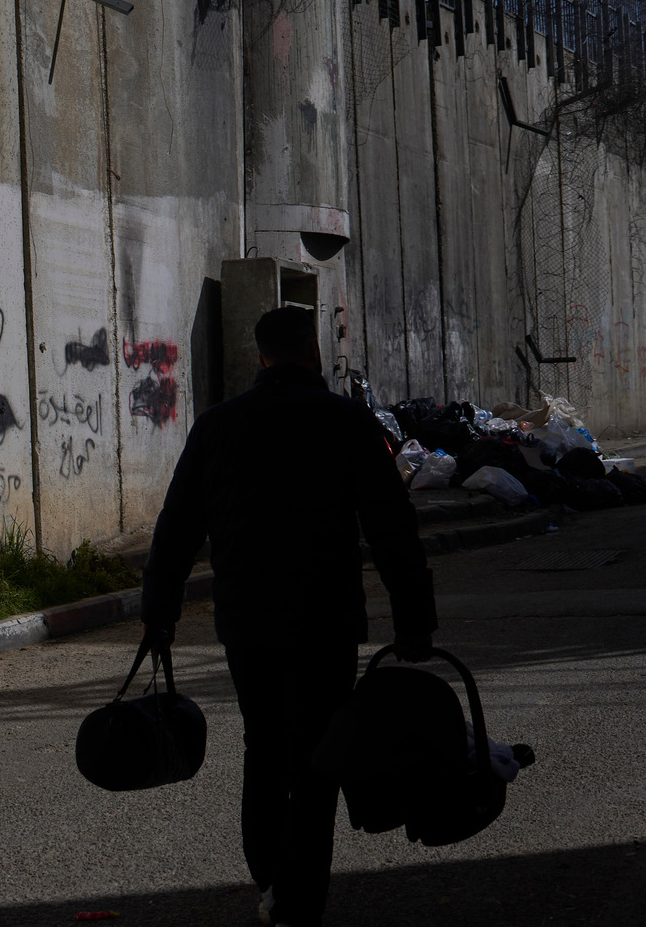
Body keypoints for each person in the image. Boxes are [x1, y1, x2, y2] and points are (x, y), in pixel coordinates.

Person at [141, 306, 436, 927]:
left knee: (264, 747)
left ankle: (272, 881)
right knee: (317, 758)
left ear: (261, 357)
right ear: (313, 352)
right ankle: (301, 898)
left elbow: (176, 530)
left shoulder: (217, 426)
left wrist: (158, 616)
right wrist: (414, 619)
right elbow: (392, 527)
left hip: (247, 623)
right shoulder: (346, 421)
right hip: (326, 621)